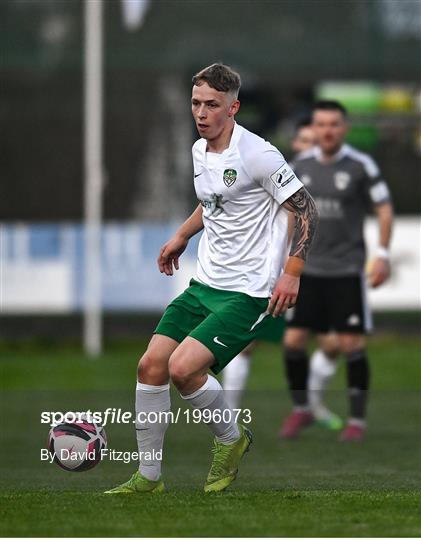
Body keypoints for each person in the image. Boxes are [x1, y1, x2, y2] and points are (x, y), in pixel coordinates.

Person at [105, 63, 318, 494]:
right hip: (205, 285)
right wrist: (181, 235)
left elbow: (307, 208)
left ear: (233, 107)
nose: (201, 113)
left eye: (212, 105)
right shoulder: (199, 151)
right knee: (150, 366)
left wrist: (292, 273)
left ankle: (231, 438)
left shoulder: (258, 154)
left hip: (249, 293)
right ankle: (147, 477)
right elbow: (214, 201)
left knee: (183, 369)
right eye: (196, 104)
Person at [280, 100, 393, 442]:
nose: (327, 130)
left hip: (346, 270)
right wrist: (282, 261)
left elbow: (384, 210)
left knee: (350, 343)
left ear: (343, 128)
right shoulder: (299, 165)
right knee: (294, 342)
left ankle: (357, 421)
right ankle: (302, 410)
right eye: (321, 124)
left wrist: (383, 255)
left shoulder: (361, 165)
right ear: (313, 129)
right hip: (307, 270)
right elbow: (289, 213)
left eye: (333, 124)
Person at [222, 118, 318, 412]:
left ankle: (309, 408)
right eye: (303, 141)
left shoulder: (337, 174)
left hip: (320, 273)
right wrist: (285, 268)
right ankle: (228, 414)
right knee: (247, 343)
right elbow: (289, 222)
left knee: (326, 344)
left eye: (312, 142)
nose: (308, 147)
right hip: (282, 272)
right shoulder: (280, 174)